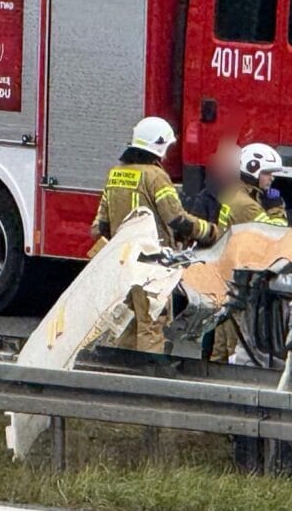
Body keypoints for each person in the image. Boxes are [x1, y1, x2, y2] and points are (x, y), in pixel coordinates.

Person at [90, 116, 220, 352]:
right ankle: (148, 376)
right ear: (158, 146)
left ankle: (121, 372)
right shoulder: (155, 176)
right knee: (152, 322)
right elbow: (176, 218)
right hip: (152, 265)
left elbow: (101, 227)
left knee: (128, 321)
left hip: (123, 262)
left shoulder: (116, 174)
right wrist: (210, 232)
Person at [208, 143, 290, 363]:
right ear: (253, 170)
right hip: (239, 281)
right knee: (236, 343)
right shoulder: (246, 205)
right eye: (267, 173)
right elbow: (277, 236)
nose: (271, 179)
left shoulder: (235, 195)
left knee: (223, 343)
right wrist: (276, 208)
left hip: (227, 276)